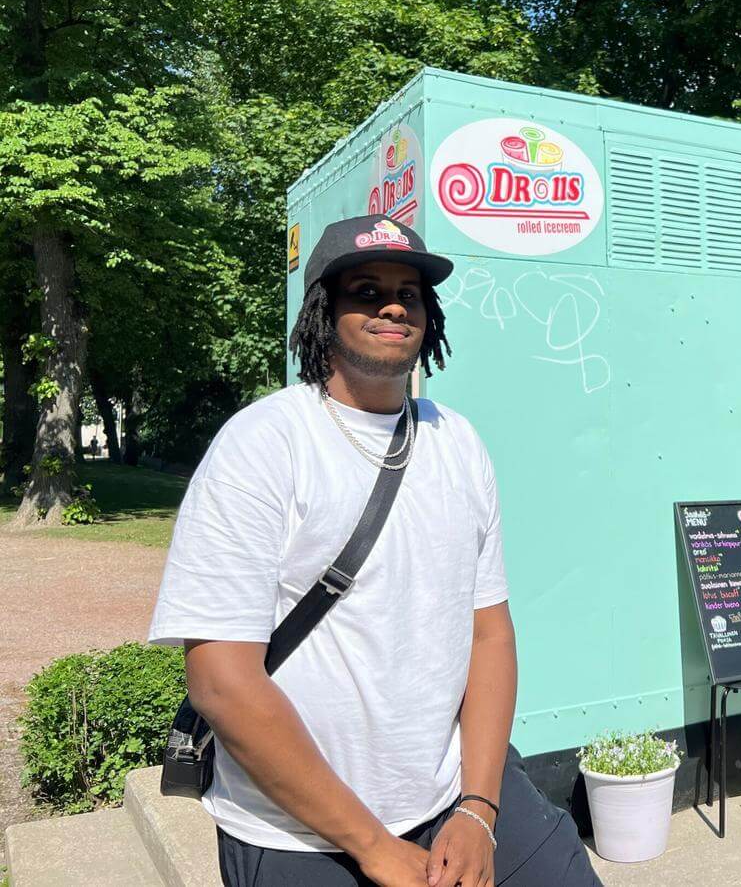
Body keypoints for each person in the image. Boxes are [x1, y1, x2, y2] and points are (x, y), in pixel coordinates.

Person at [148, 215, 599, 887]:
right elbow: (221, 677)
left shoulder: (458, 442)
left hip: (455, 797)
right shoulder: (263, 444)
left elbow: (489, 635)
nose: (393, 304)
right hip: (299, 834)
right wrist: (373, 846)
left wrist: (479, 808)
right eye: (366, 290)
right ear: (324, 313)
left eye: (408, 293)